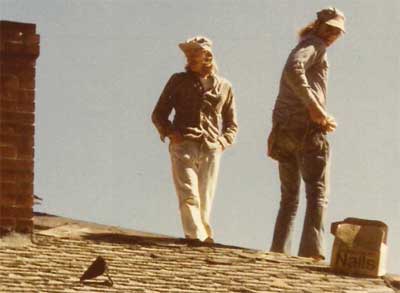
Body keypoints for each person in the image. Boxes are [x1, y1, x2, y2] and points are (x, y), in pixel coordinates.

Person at [267, 7, 345, 260]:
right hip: (305, 130)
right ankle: (310, 253)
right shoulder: (315, 45)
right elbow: (293, 68)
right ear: (318, 26)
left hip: (284, 130)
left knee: (289, 198)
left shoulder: (309, 44)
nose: (332, 35)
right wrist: (315, 109)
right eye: (329, 29)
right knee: (317, 192)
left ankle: (278, 253)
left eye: (337, 31)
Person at [152, 36, 238, 243]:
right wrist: (171, 133)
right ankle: (195, 236)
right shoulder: (178, 80)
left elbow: (231, 124)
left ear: (207, 56)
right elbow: (159, 113)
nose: (189, 57)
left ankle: (203, 236)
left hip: (210, 147)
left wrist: (222, 143)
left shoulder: (225, 86)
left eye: (194, 53)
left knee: (205, 198)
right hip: (184, 144)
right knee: (189, 194)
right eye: (188, 53)